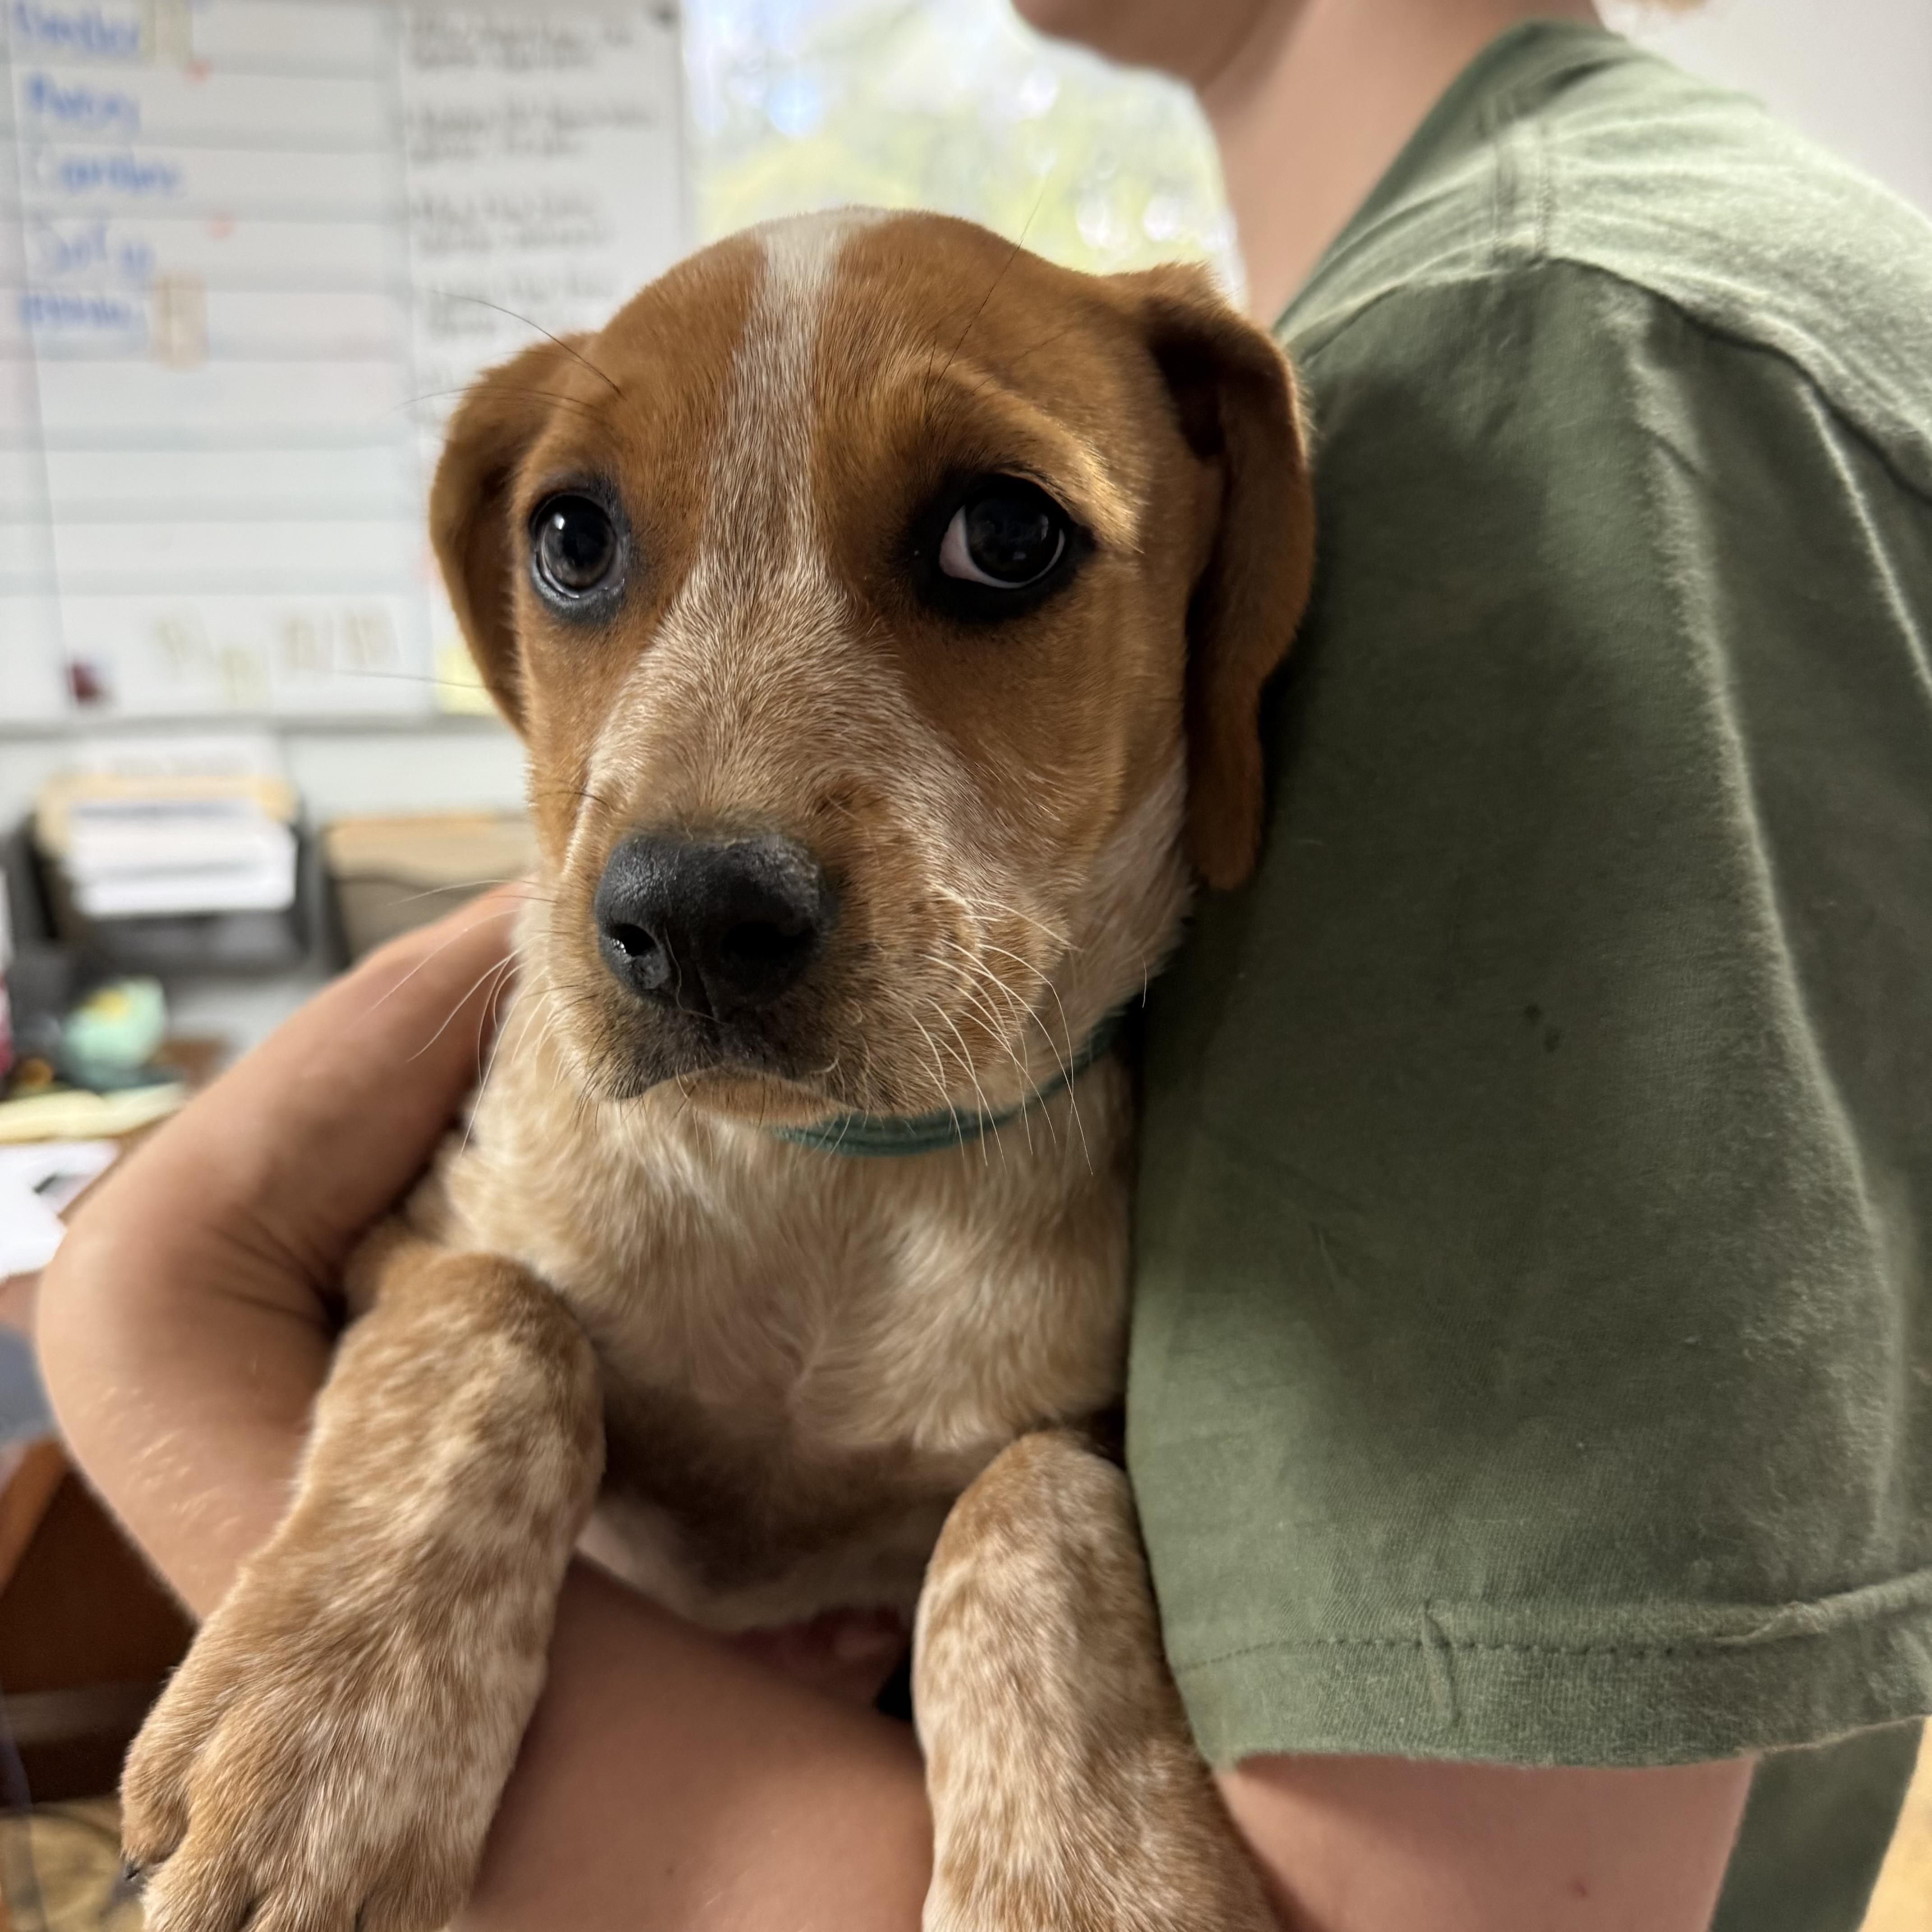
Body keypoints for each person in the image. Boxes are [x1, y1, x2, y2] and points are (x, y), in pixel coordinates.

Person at [39, 0, 1932, 1925]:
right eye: (583, 550)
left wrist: (149, 1323)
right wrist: (450, 1390)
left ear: (1230, 576)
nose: (690, 843)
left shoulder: (1542, 361)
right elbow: (429, 1263)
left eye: (998, 538)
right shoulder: (1464, 294)